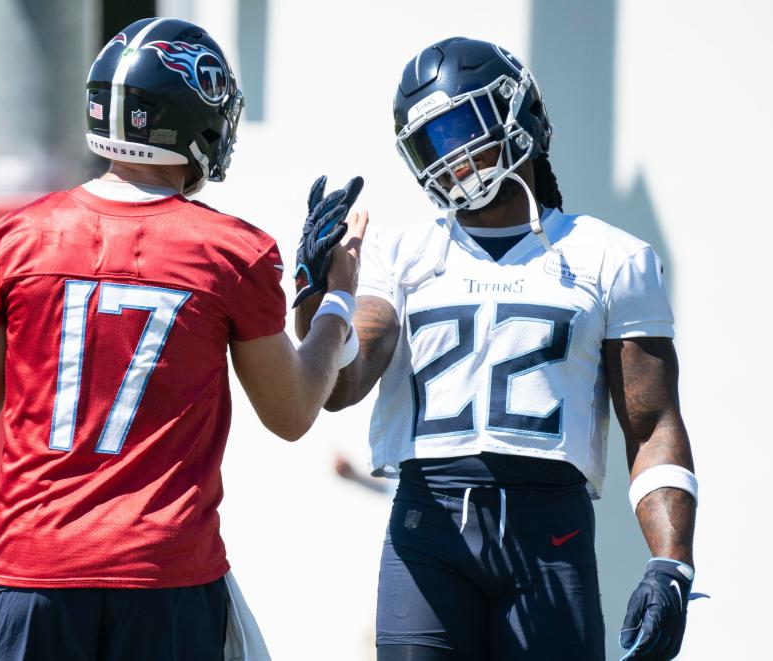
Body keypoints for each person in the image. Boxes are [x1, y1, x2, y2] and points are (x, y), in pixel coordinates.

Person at [0, 17, 367, 661]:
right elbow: (293, 412)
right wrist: (338, 299)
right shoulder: (233, 251)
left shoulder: (9, 240)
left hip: (35, 573)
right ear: (194, 118)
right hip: (166, 577)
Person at [295, 37, 698, 660]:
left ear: (517, 109)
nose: (451, 157)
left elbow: (650, 425)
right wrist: (317, 294)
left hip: (551, 531)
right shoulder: (401, 256)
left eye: (460, 127)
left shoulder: (612, 257)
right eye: (430, 144)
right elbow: (341, 383)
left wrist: (671, 565)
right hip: (426, 529)